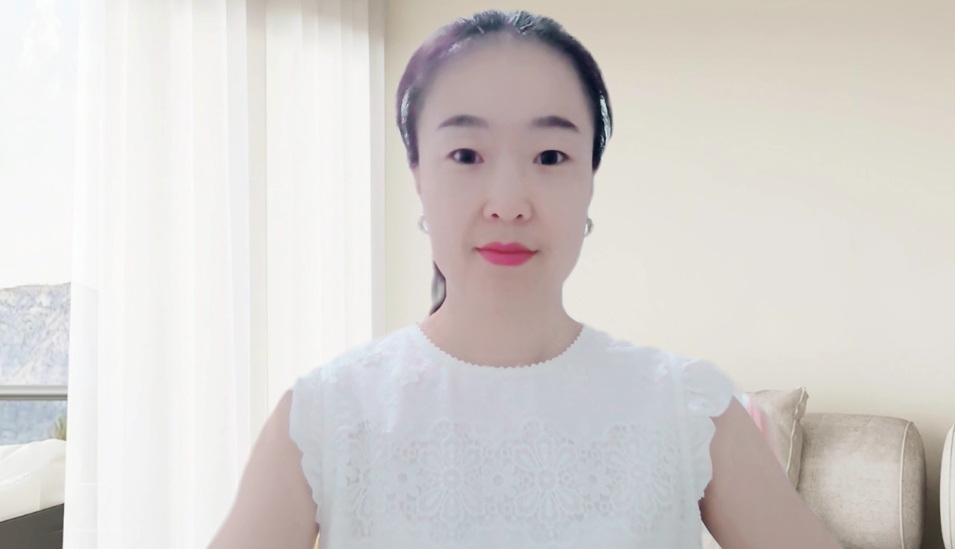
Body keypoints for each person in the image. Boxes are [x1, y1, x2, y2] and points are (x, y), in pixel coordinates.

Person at [207, 10, 842, 549]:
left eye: (550, 156)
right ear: (418, 175)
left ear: (590, 178)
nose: (508, 203)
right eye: (466, 155)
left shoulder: (688, 409)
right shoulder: (326, 417)